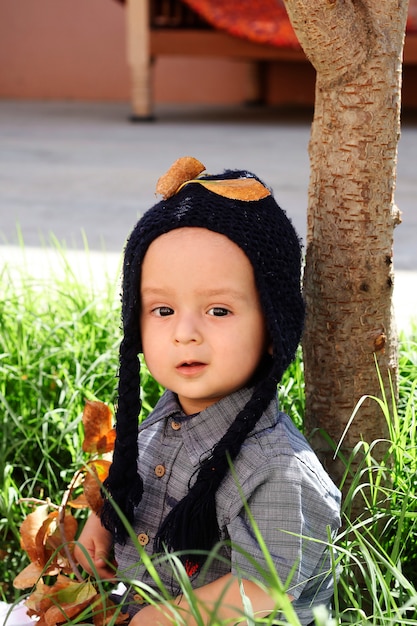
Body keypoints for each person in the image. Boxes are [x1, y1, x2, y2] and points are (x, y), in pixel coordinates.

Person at [75, 157, 341, 626]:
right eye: (162, 310)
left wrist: (169, 616)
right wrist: (104, 522)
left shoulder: (276, 466)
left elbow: (265, 586)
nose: (185, 333)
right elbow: (135, 485)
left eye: (218, 311)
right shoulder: (165, 416)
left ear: (274, 327)